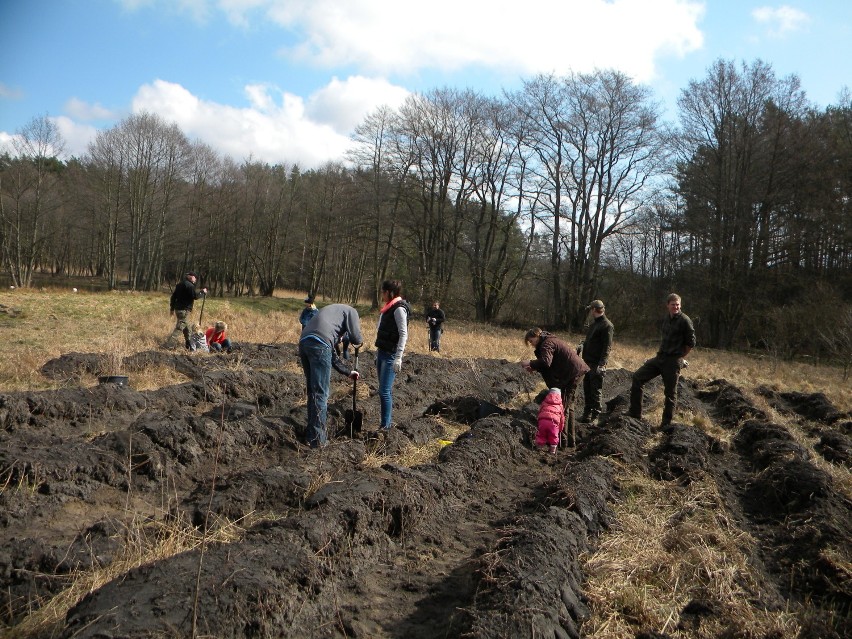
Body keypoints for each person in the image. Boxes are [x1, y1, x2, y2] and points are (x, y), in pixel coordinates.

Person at [299, 304, 363, 448]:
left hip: (304, 342)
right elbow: (356, 338)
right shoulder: (351, 311)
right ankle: (318, 440)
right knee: (320, 393)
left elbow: (331, 354)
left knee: (312, 392)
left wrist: (348, 372)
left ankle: (310, 435)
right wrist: (357, 341)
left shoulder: (331, 313)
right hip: (320, 344)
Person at [629, 293, 696, 427]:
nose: (675, 307)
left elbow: (691, 343)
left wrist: (680, 357)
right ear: (668, 305)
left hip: (673, 361)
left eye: (678, 304)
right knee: (637, 377)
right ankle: (635, 413)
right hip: (660, 357)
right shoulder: (666, 319)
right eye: (673, 305)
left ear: (680, 305)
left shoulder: (685, 321)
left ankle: (666, 423)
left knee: (670, 393)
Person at [522, 327, 590, 447]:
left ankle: (560, 443)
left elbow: (546, 361)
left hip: (572, 374)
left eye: (531, 341)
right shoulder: (549, 340)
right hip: (575, 372)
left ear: (536, 336)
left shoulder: (546, 344)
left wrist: (530, 363)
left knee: (560, 408)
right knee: (569, 407)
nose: (531, 345)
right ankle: (569, 441)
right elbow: (549, 364)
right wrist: (534, 367)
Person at [374, 280, 410, 431]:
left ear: (390, 292)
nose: (382, 295)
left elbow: (403, 334)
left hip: (390, 356)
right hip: (382, 353)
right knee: (382, 390)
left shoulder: (399, 309)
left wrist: (398, 357)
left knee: (384, 391)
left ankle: (386, 426)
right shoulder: (388, 308)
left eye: (383, 292)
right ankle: (384, 423)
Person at [578, 300, 614, 423]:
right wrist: (582, 345)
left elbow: (607, 347)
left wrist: (602, 364)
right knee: (587, 389)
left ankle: (595, 416)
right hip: (587, 361)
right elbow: (590, 341)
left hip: (596, 363)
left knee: (596, 390)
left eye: (591, 309)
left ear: (594, 309)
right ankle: (587, 414)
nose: (590, 312)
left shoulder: (607, 325)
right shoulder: (594, 325)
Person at [166, 272, 207, 349]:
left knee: (187, 328)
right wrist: (202, 292)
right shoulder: (190, 286)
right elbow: (195, 296)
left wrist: (172, 309)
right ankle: (169, 345)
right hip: (184, 310)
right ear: (191, 277)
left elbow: (173, 297)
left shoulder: (179, 285)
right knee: (179, 328)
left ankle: (189, 345)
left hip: (178, 309)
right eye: (195, 277)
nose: (195, 279)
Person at [536, 388, 564, 454]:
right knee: (554, 436)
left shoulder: (544, 401)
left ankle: (539, 448)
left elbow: (540, 411)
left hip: (542, 421)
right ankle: (552, 451)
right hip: (553, 422)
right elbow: (562, 419)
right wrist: (560, 428)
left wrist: (539, 421)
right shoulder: (560, 405)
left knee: (541, 434)